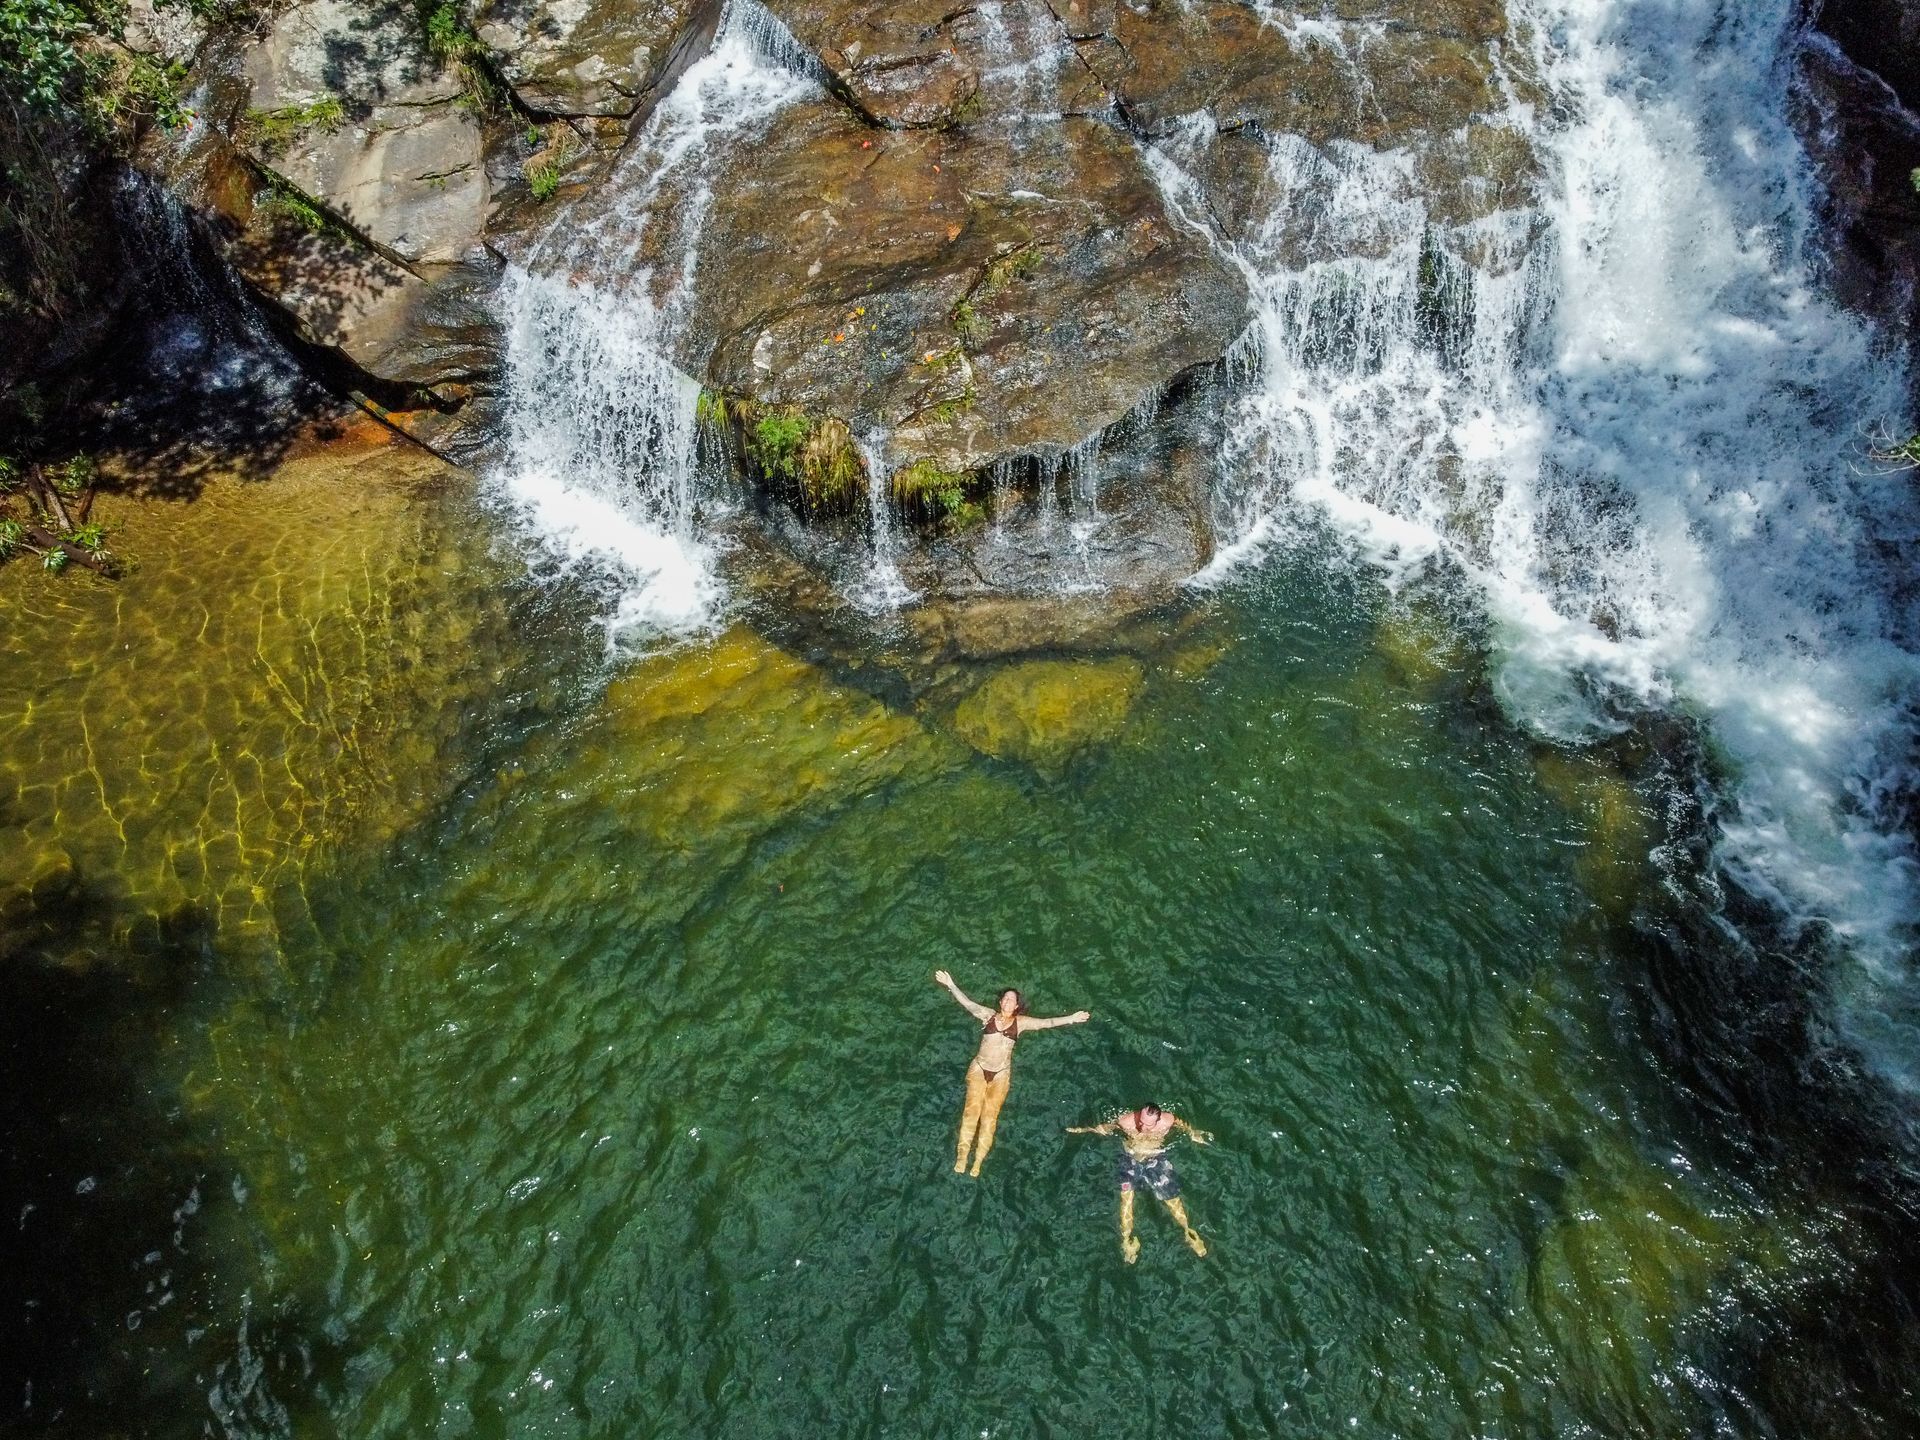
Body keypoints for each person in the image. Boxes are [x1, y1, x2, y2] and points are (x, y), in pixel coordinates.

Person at [934, 969, 1090, 1176]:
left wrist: (1071, 1018)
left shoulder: (1021, 1022)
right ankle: (962, 1155)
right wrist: (951, 984)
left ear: (1016, 1006)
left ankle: (978, 1160)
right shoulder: (988, 1016)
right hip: (979, 1068)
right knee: (971, 1112)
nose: (1008, 1001)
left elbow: (1047, 1023)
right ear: (1001, 1002)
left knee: (989, 1118)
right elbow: (968, 1003)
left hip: (1001, 1074)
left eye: (1012, 999)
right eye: (1005, 998)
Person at [1066, 1103, 1212, 1261]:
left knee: (1171, 1198)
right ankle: (1126, 1240)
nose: (1142, 1127)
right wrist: (1082, 1130)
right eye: (1140, 1121)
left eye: (1148, 1124)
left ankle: (1188, 1232)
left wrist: (1192, 1133)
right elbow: (1105, 1128)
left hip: (1155, 1158)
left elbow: (1181, 1124)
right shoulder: (1126, 1121)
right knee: (1126, 1198)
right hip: (1131, 1159)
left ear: (1158, 1120)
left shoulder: (1168, 1120)